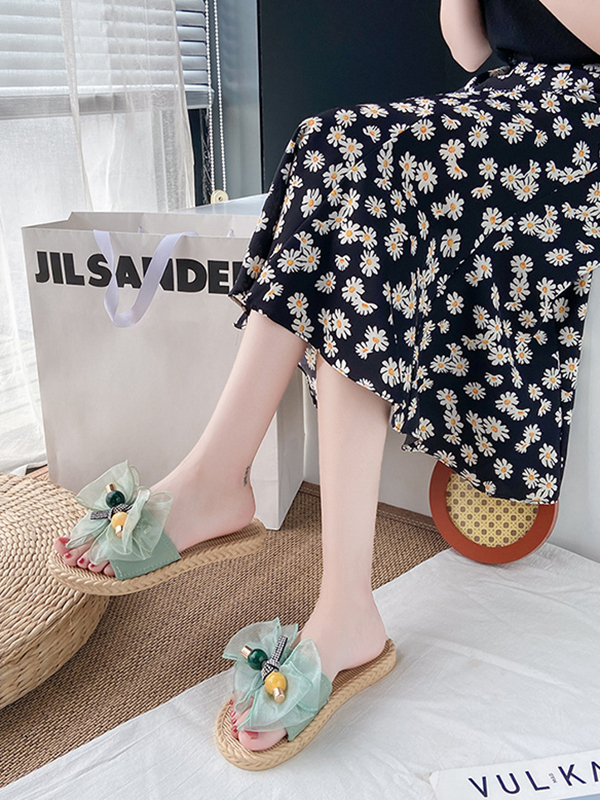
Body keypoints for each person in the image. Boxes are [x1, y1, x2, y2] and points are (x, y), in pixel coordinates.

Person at [54, 0, 600, 762]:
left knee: (363, 159)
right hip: (501, 102)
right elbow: (473, 50)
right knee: (329, 142)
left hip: (578, 132)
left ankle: (285, 548)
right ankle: (238, 497)